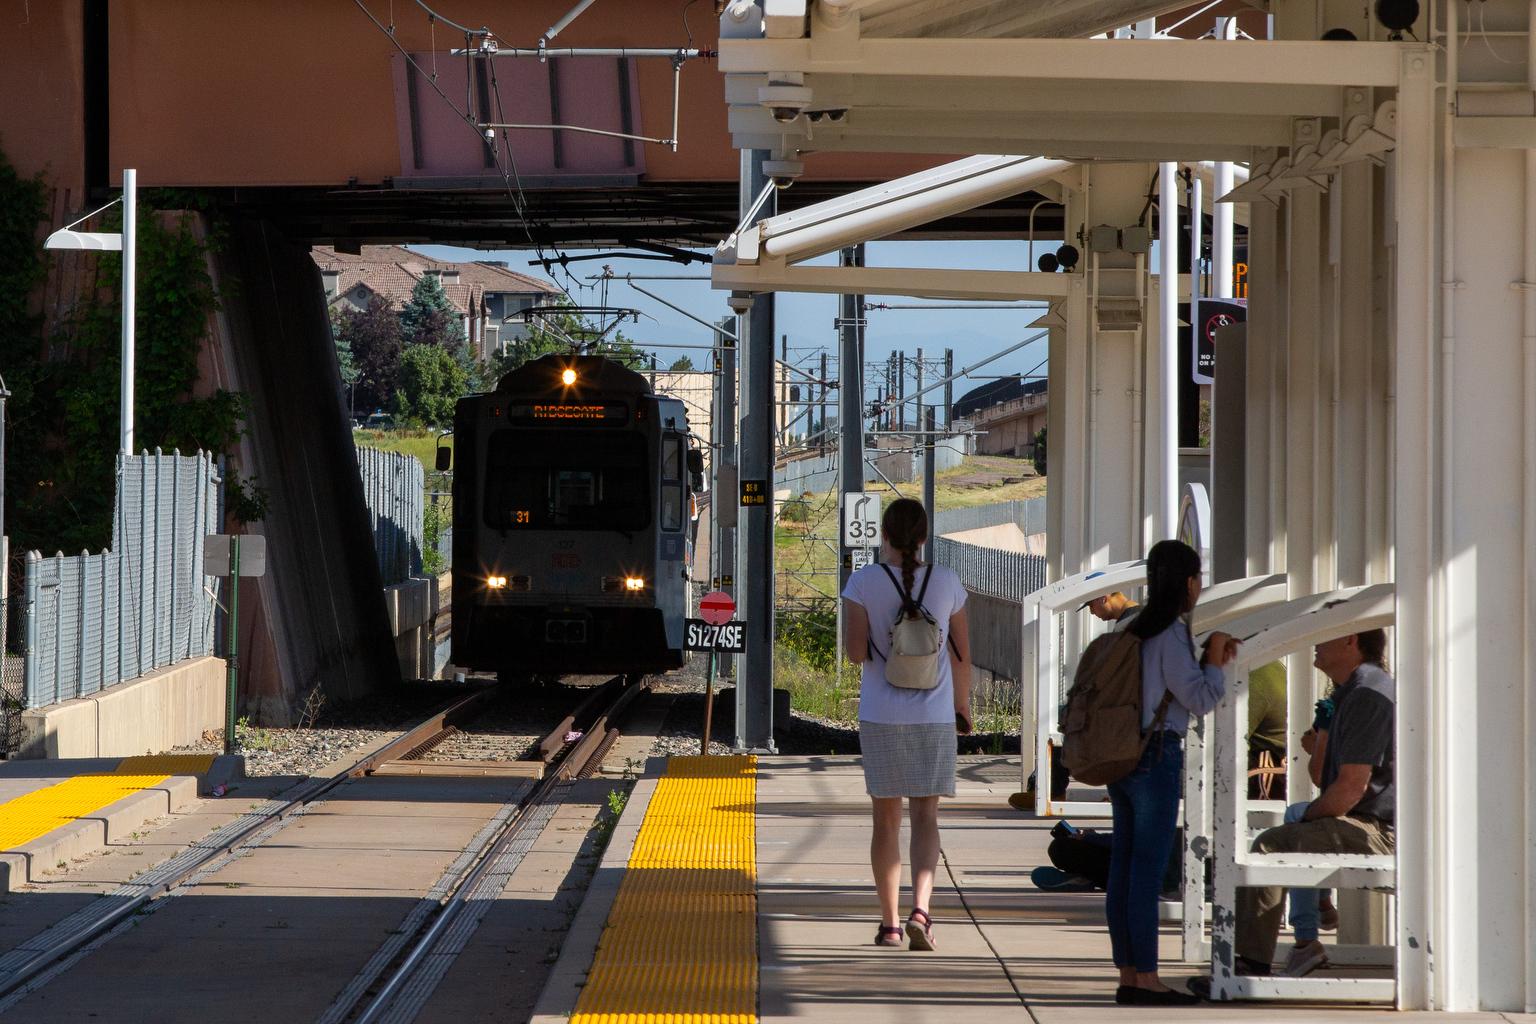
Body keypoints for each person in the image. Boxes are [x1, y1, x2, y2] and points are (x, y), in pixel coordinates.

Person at [1189, 627, 1394, 996]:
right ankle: (1289, 940)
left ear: (1351, 640)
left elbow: (1350, 789)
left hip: (1378, 829)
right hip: (1363, 820)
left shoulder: (1368, 695)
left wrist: (1306, 817)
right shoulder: (1349, 693)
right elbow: (1322, 779)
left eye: (1326, 634)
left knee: (1271, 844)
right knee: (1290, 829)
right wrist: (1325, 739)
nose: (1316, 641)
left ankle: (1248, 966)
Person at [1107, 539, 1234, 1006]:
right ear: (1188, 582)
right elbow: (1199, 698)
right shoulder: (1172, 632)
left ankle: (1127, 973)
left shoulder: (1133, 627)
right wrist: (1216, 661)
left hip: (1120, 755)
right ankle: (1147, 979)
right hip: (1156, 755)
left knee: (1123, 868)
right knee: (1146, 870)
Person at [843, 497, 972, 951]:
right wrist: (962, 708)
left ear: (884, 535)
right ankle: (922, 910)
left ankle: (890, 924)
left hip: (881, 716)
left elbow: (856, 654)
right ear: (923, 537)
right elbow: (962, 658)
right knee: (926, 816)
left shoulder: (862, 583)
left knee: (886, 821)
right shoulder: (949, 582)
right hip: (933, 717)